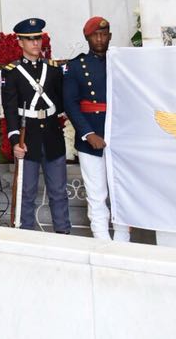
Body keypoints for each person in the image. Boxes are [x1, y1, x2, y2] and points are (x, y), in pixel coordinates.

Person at [63, 16, 129, 242]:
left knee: (122, 192)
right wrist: (88, 134)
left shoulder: (121, 62)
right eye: (95, 35)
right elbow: (70, 104)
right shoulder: (76, 66)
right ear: (87, 38)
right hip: (91, 137)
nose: (100, 39)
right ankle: (101, 239)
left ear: (110, 36)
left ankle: (122, 239)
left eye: (104, 34)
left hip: (120, 137)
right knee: (97, 194)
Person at [2, 18, 70, 233]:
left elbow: (61, 101)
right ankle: (26, 236)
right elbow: (10, 110)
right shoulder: (11, 72)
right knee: (26, 192)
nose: (35, 43)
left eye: (38, 38)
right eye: (30, 40)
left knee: (59, 191)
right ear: (20, 42)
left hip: (52, 134)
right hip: (27, 137)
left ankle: (63, 233)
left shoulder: (53, 69)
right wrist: (15, 141)